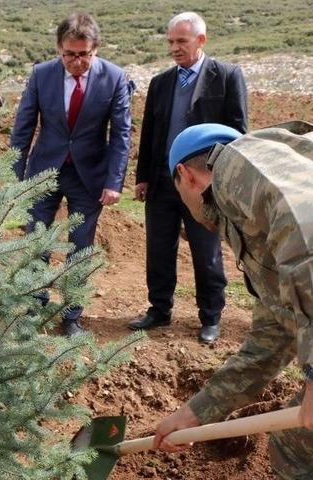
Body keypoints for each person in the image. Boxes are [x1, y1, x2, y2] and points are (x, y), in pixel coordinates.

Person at [152, 122, 313, 479]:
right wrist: (196, 413)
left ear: (186, 175)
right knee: (296, 443)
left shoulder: (240, 164)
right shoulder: (254, 221)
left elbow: (307, 225)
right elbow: (269, 343)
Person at [10, 12, 131, 337]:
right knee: (37, 241)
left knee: (80, 246)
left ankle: (72, 316)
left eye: (84, 55)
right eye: (69, 55)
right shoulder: (41, 75)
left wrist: (114, 181)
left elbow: (121, 134)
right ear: (59, 49)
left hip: (88, 176)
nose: (77, 62)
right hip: (44, 171)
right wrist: (16, 178)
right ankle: (35, 309)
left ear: (96, 50)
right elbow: (23, 128)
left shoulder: (114, 78)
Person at [129, 11, 248, 344]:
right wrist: (143, 177)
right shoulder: (161, 83)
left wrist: (222, 181)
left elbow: (238, 133)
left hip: (205, 187)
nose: (174, 48)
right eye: (170, 42)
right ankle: (159, 309)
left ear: (201, 40)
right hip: (164, 181)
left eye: (181, 41)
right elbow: (151, 133)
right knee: (159, 248)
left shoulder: (226, 76)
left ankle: (211, 316)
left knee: (206, 251)